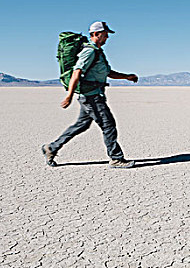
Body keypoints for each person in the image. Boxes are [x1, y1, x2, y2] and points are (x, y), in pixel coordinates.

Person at [42, 21, 138, 168]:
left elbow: (108, 73)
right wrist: (69, 95)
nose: (107, 37)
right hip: (91, 97)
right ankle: (116, 158)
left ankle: (52, 147)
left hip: (93, 95)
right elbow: (77, 72)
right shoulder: (89, 52)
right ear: (95, 34)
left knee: (81, 125)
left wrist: (127, 76)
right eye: (105, 35)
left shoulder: (98, 52)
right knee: (108, 125)